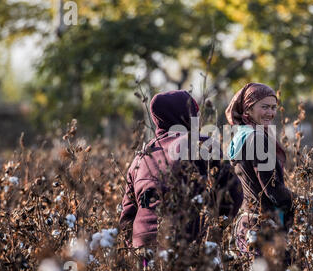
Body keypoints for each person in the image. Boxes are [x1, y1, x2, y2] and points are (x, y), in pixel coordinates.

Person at [119, 90, 242, 255]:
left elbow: (127, 215)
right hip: (184, 240)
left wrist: (134, 245)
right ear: (189, 115)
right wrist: (216, 227)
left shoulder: (141, 156)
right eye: (196, 114)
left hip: (143, 246)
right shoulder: (200, 143)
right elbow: (233, 192)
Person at [225, 83, 296, 258]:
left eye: (273, 107)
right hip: (263, 230)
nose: (270, 113)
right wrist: (303, 203)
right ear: (248, 109)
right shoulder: (256, 139)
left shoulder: (241, 135)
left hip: (246, 226)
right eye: (264, 107)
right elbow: (272, 189)